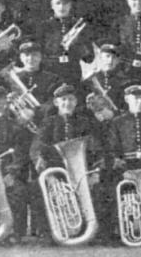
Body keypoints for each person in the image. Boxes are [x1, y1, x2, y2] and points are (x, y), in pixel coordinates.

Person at [29, 84, 110, 237]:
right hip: (57, 172)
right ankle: (50, 233)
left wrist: (96, 172)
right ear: (56, 103)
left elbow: (98, 148)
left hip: (84, 172)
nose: (67, 103)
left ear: (76, 102)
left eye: (71, 99)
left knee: (100, 189)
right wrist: (48, 175)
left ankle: (97, 232)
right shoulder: (48, 123)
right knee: (37, 188)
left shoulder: (85, 122)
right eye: (63, 99)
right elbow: (37, 149)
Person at [0, 84, 41, 244]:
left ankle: (15, 233)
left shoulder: (17, 127)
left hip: (8, 174)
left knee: (17, 191)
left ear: (6, 103)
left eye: (0, 100)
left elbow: (21, 155)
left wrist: (11, 174)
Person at [31, 0, 94, 95]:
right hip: (50, 72)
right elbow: (37, 54)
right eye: (58, 3)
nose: (61, 7)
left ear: (70, 5)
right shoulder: (44, 26)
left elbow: (89, 58)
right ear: (52, 5)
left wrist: (78, 44)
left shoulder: (79, 26)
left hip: (72, 72)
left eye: (65, 3)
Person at [0, 38, 61, 126]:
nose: (30, 58)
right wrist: (8, 99)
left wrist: (33, 112)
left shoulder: (52, 78)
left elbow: (53, 102)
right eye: (26, 55)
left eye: (35, 55)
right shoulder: (12, 77)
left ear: (40, 57)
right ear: (21, 58)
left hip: (43, 122)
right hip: (16, 123)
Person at [82, 42, 131, 122]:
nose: (110, 60)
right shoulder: (89, 80)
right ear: (100, 58)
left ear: (118, 61)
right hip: (93, 123)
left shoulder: (125, 82)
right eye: (107, 56)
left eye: (114, 58)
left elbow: (128, 108)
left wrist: (113, 114)